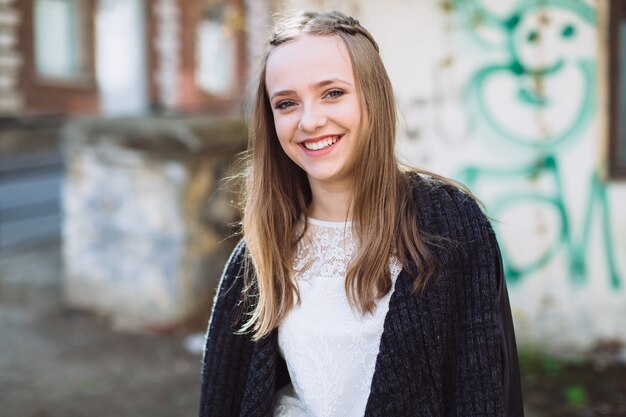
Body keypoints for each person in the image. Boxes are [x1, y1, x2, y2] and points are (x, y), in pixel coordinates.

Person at [199, 10, 524, 417]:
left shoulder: (450, 224)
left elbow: (489, 392)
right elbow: (225, 397)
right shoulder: (262, 248)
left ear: (372, 96)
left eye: (332, 93)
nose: (311, 120)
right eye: (286, 103)